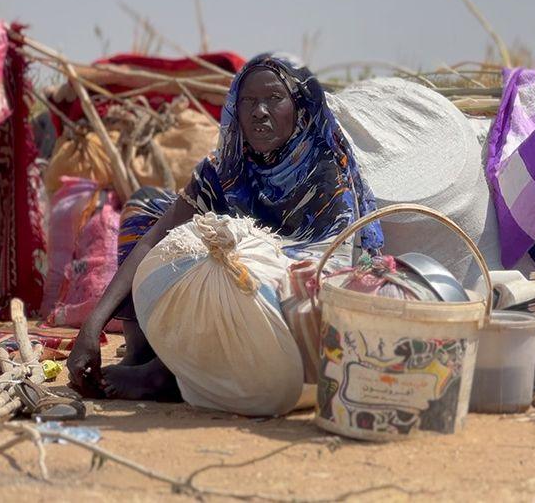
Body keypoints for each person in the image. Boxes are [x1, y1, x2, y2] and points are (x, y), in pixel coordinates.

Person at [66, 53, 383, 401]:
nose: (259, 111)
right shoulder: (226, 168)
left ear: (300, 107)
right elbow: (151, 241)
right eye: (248, 101)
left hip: (283, 313)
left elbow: (323, 275)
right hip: (230, 290)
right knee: (147, 209)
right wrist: (91, 327)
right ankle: (142, 350)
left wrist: (234, 250)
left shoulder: (324, 175)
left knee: (226, 258)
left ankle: (167, 375)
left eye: (274, 99)